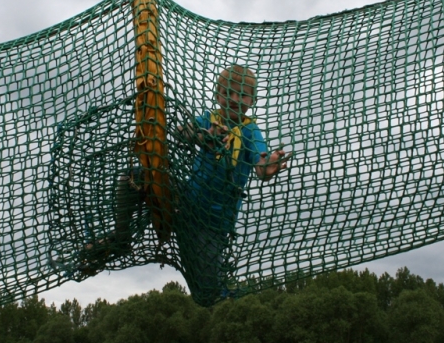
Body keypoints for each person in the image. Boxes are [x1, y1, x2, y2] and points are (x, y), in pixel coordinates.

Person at [81, 65, 290, 304]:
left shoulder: (251, 131)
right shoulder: (209, 119)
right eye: (229, 92)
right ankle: (121, 238)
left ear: (252, 99)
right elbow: (183, 132)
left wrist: (268, 166)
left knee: (208, 294)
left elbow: (260, 164)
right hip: (185, 202)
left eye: (242, 94)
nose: (234, 99)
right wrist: (203, 135)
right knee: (134, 177)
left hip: (212, 225)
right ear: (218, 95)